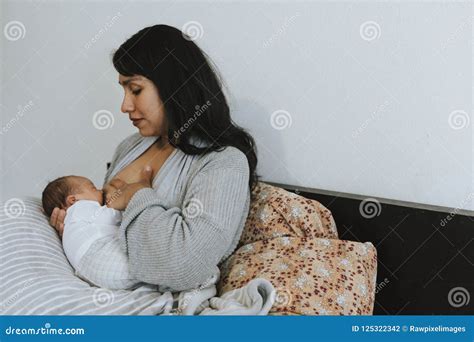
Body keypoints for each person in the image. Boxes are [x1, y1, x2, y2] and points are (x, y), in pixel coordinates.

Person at [49, 24, 259, 293]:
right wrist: (75, 225)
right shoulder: (130, 147)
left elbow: (186, 265)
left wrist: (139, 195)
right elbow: (105, 221)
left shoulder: (224, 163)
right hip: (91, 287)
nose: (124, 106)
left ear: (174, 87)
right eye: (123, 91)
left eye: (135, 90)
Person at [42, 175, 151, 290]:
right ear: (73, 200)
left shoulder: (71, 223)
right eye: (93, 188)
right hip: (101, 255)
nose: (100, 191)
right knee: (144, 262)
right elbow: (110, 216)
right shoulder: (79, 207)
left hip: (93, 274)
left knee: (137, 276)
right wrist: (122, 201)